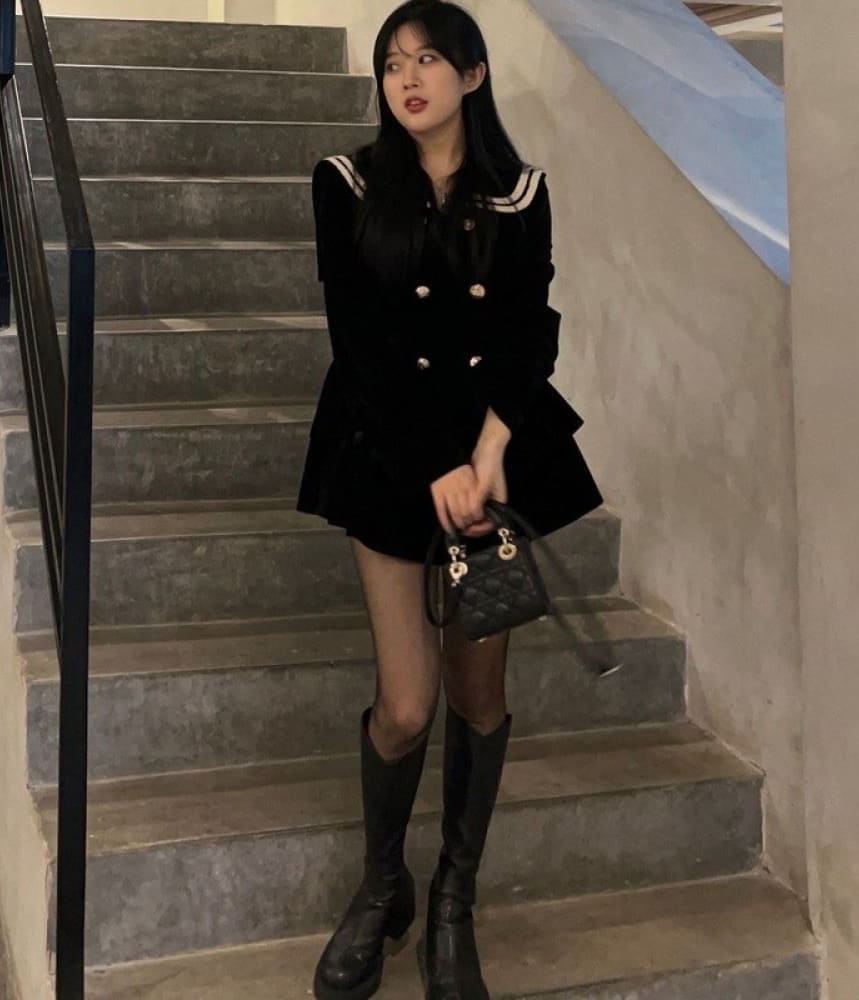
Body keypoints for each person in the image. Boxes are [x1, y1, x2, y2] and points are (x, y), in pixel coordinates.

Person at [295, 2, 604, 997]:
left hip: (493, 465)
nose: (408, 79)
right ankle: (382, 885)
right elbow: (360, 341)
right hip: (387, 457)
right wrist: (436, 462)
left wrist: (490, 451)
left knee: (478, 696)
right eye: (393, 63)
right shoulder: (345, 183)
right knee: (406, 703)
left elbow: (528, 332)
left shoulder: (519, 193)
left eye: (428, 59)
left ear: (471, 75)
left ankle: (452, 900)